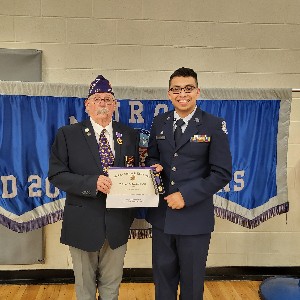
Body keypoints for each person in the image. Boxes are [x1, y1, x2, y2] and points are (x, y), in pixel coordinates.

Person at [48, 75, 140, 300]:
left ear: (115, 105)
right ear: (87, 104)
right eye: (97, 99)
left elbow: (135, 171)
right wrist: (92, 182)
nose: (103, 104)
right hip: (82, 224)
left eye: (108, 99)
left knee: (111, 288)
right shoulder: (68, 134)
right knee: (85, 289)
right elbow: (56, 175)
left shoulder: (128, 135)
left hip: (117, 223)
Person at [146, 67, 232, 300]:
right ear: (169, 93)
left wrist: (186, 195)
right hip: (163, 216)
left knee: (192, 284)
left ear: (197, 91)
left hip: (194, 218)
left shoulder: (213, 125)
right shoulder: (159, 122)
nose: (182, 94)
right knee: (163, 280)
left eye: (188, 88)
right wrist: (154, 167)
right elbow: (152, 156)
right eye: (176, 89)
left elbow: (222, 173)